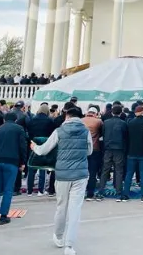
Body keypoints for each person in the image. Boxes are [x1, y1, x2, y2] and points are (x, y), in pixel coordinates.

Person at [30, 104, 92, 255]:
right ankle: (69, 246)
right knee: (75, 210)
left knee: (61, 207)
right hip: (80, 174)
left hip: (62, 175)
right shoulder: (85, 131)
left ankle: (58, 237)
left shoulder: (59, 131)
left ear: (67, 116)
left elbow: (45, 149)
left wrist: (35, 148)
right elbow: (89, 151)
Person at [0, 111, 27, 224]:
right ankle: (4, 216)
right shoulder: (19, 129)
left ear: (4, 120)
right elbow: (22, 146)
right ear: (16, 120)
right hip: (12, 161)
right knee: (8, 189)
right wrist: (23, 162)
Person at [122, 105, 143, 202]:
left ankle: (125, 194)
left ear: (135, 113)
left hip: (131, 152)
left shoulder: (129, 123)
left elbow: (126, 138)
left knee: (129, 174)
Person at [98, 105, 128, 199]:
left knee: (105, 170)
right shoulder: (123, 123)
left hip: (108, 148)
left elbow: (102, 133)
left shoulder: (106, 123)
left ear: (112, 112)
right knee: (119, 170)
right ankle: (119, 192)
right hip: (119, 149)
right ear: (120, 113)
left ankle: (101, 191)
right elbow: (125, 136)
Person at [27, 104, 56, 195]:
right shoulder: (49, 120)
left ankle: (29, 191)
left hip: (33, 144)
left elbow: (29, 133)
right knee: (42, 167)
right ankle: (40, 190)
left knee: (31, 167)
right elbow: (52, 134)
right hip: (44, 144)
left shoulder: (32, 120)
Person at [82, 106, 104, 200]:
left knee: (82, 172)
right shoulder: (98, 121)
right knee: (92, 172)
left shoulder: (81, 120)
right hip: (94, 149)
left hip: (82, 150)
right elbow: (103, 133)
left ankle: (81, 191)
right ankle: (90, 193)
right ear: (95, 114)